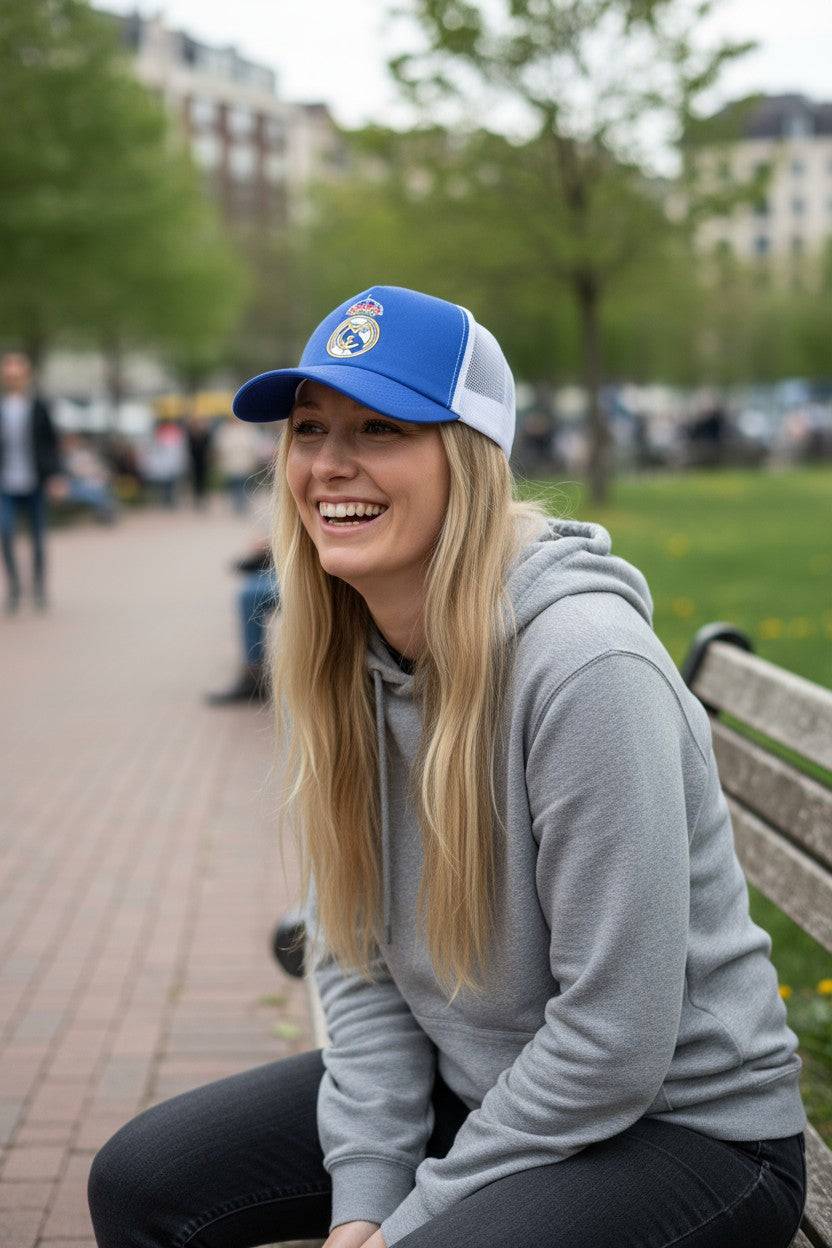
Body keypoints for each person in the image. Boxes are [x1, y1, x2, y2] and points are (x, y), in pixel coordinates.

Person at [87, 286, 807, 1248]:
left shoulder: (586, 666)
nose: (328, 465)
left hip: (685, 1132)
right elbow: (355, 952)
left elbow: (615, 1041)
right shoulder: (338, 650)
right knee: (141, 1182)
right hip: (482, 1085)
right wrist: (365, 1194)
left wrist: (414, 1220)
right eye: (309, 430)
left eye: (380, 428)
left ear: (469, 458)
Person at [0, 350, 67, 613]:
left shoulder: (39, 407)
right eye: (9, 374)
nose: (13, 378)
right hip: (6, 484)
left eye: (18, 373)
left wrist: (56, 477)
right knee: (6, 533)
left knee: (38, 537)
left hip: (35, 482)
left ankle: (39, 587)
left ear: (26, 376)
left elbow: (51, 444)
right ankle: (15, 587)